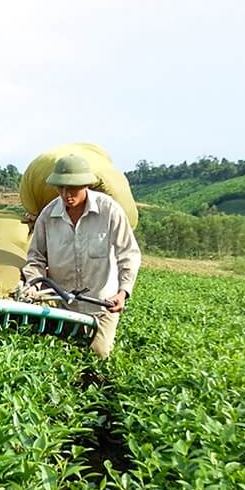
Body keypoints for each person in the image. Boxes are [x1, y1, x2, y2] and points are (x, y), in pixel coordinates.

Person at [21, 154, 141, 359]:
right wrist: (33, 285)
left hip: (102, 305)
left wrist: (122, 293)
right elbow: (36, 258)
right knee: (60, 356)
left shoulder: (109, 211)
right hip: (63, 305)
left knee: (99, 353)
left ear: (86, 185)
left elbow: (128, 254)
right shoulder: (48, 216)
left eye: (73, 188)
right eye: (61, 188)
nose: (67, 194)